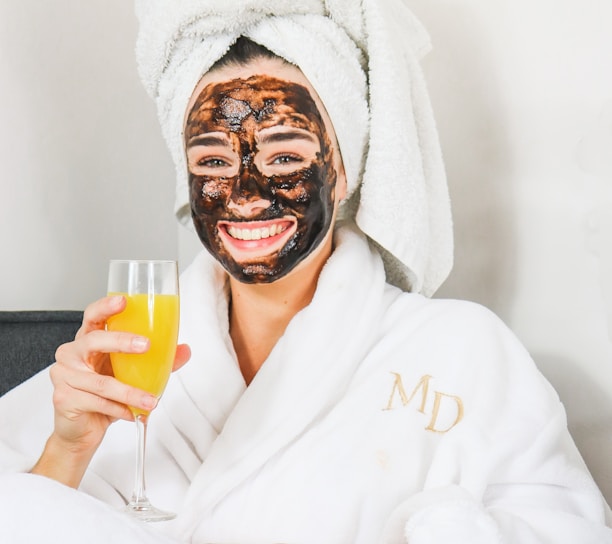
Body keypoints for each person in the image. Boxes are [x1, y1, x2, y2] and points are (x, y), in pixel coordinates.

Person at [1, 1, 611, 543]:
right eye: (212, 159)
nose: (243, 194)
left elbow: (568, 527)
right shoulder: (121, 359)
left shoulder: (461, 353)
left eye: (285, 156)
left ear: (343, 172)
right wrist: (68, 448)